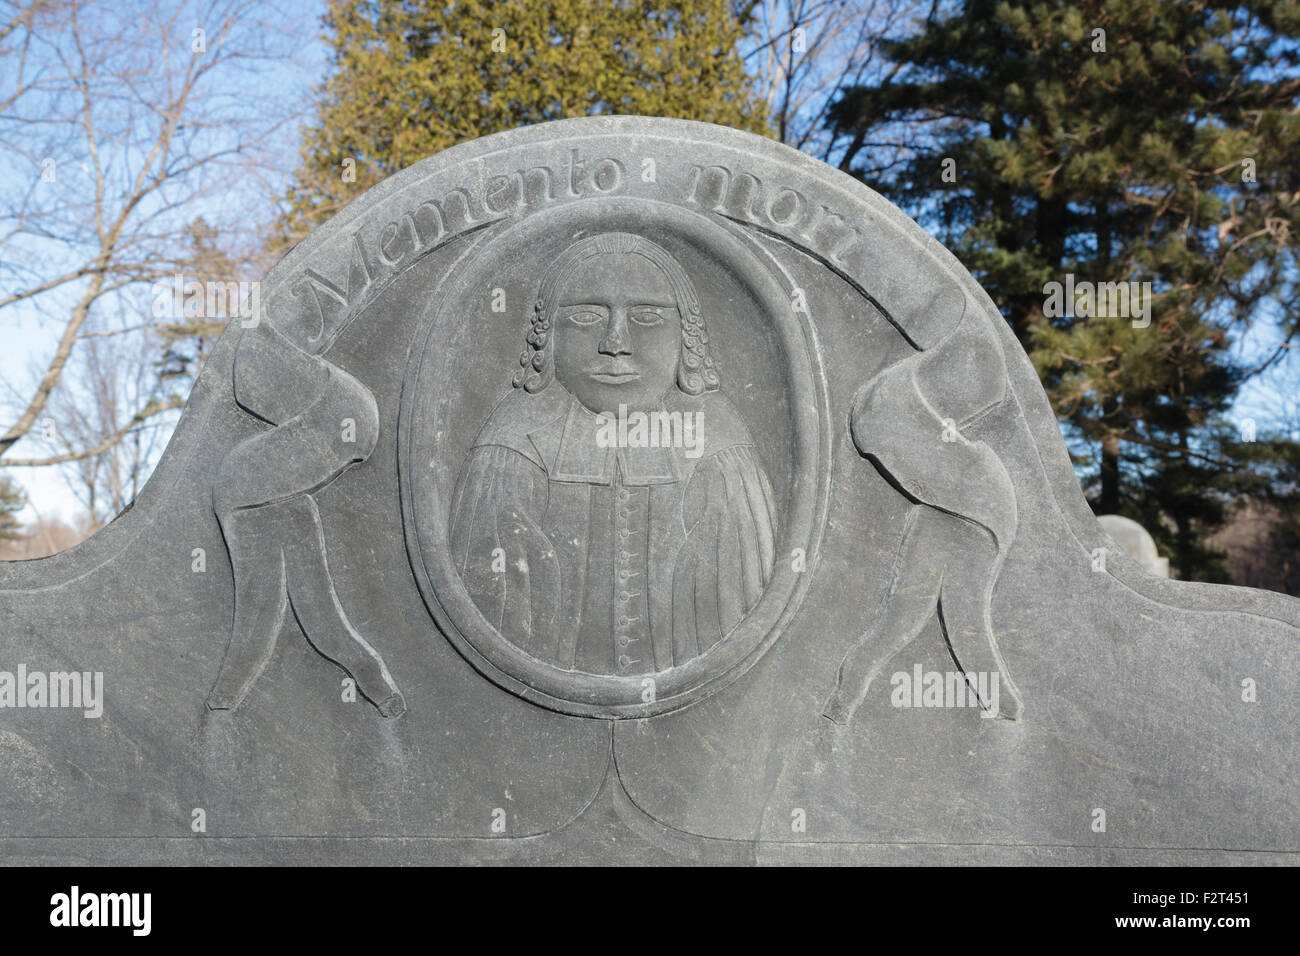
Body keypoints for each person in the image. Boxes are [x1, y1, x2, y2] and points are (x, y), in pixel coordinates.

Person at [450, 232, 777, 676]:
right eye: (586, 317)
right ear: (549, 340)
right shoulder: (510, 446)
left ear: (686, 338)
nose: (616, 341)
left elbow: (746, 623)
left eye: (646, 316)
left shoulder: (719, 446)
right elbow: (484, 618)